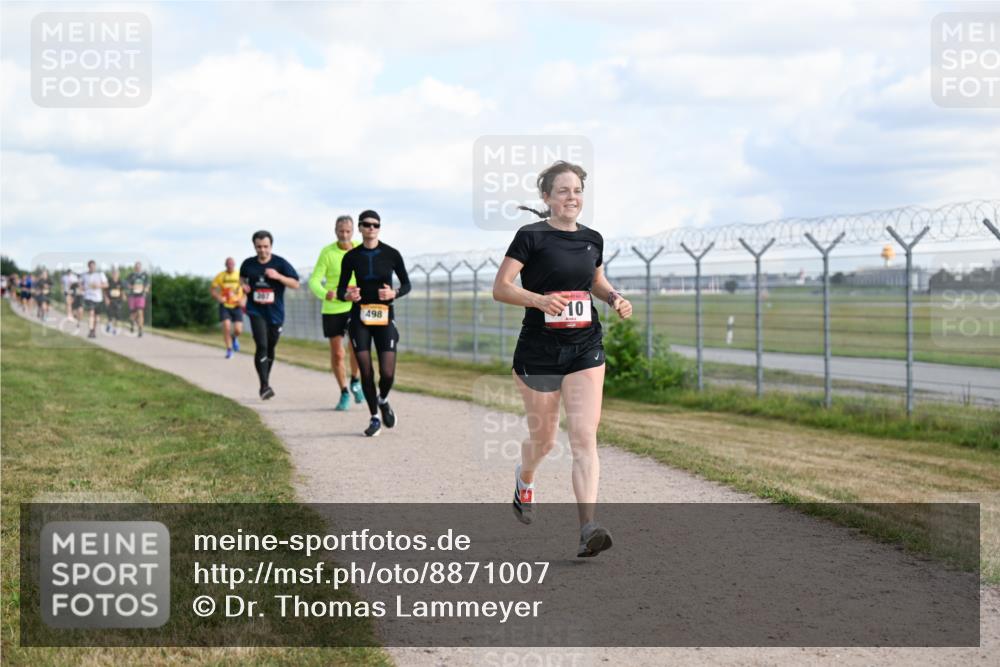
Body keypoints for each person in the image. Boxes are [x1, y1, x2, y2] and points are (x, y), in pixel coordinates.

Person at [492, 160, 633, 558]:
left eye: (577, 191)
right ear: (547, 197)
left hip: (585, 347)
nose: (572, 198)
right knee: (546, 440)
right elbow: (501, 288)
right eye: (563, 191)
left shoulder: (593, 239)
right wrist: (539, 300)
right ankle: (525, 477)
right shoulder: (530, 237)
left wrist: (613, 298)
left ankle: (588, 527)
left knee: (584, 438)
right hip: (538, 349)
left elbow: (595, 280)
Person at [336, 210, 411, 437]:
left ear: (379, 227)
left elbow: (407, 284)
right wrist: (348, 296)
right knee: (366, 371)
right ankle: (374, 417)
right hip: (360, 317)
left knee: (387, 372)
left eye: (375, 225)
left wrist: (394, 293)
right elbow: (341, 290)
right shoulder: (351, 257)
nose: (371, 228)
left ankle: (383, 399)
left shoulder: (391, 254)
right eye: (366, 225)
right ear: (359, 228)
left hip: (385, 315)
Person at [309, 215, 365, 410]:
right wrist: (327, 294)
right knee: (338, 354)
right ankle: (343, 392)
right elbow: (314, 281)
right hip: (333, 309)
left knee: (357, 348)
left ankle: (356, 380)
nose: (344, 235)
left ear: (354, 231)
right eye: (341, 231)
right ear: (335, 231)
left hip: (356, 307)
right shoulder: (327, 252)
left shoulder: (360, 249)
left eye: (348, 231)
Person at [239, 231, 299, 399]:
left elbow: (295, 284)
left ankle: (266, 380)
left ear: (271, 246)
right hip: (255, 310)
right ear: (254, 246)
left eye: (266, 247)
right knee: (262, 345)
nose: (262, 250)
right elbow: (242, 278)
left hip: (275, 313)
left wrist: (278, 276)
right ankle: (264, 385)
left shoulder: (280, 263)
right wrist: (244, 286)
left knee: (271, 347)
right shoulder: (248, 264)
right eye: (259, 247)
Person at [211, 257, 246, 359]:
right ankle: (229, 350)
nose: (230, 266)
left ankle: (234, 337)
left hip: (237, 305)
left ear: (234, 265)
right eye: (228, 264)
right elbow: (213, 290)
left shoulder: (240, 276)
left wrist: (243, 300)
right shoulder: (221, 276)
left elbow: (247, 290)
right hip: (225, 305)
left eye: (232, 264)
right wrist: (218, 297)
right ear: (225, 265)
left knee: (238, 330)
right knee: (226, 327)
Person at [80, 260, 108, 338]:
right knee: (91, 313)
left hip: (98, 298)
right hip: (88, 297)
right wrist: (82, 288)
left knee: (97, 317)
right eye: (90, 266)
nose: (92, 268)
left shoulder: (100, 274)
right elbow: (80, 285)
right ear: (88, 267)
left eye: (93, 266)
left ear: (95, 266)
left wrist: (98, 286)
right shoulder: (84, 275)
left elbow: (106, 285)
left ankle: (93, 331)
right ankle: (91, 330)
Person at [126, 261, 150, 337]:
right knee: (133, 314)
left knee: (140, 312)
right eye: (136, 267)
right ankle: (132, 323)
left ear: (141, 267)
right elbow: (127, 285)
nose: (138, 268)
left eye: (139, 267)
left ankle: (140, 330)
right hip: (132, 296)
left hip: (141, 296)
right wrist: (133, 287)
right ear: (134, 268)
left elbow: (147, 285)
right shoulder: (131, 275)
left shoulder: (145, 275)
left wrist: (145, 289)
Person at [105, 268, 127, 334]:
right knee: (110, 315)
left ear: (118, 274)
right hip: (110, 300)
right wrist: (106, 298)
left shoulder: (120, 282)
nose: (115, 275)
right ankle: (109, 324)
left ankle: (114, 329)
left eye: (116, 274)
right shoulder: (109, 281)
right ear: (112, 274)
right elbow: (105, 291)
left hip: (118, 300)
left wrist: (124, 296)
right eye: (114, 273)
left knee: (117, 315)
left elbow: (122, 291)